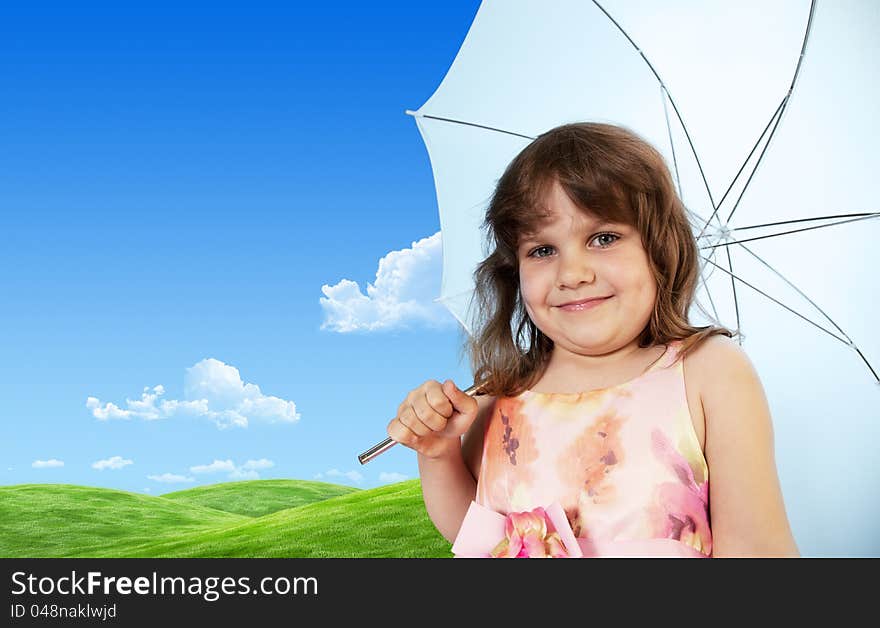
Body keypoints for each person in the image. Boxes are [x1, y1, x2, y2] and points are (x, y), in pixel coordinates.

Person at [387, 122, 800, 558]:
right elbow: (476, 536)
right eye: (542, 250)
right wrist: (437, 453)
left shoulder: (709, 373)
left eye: (603, 238)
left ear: (659, 249)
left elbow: (757, 549)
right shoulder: (500, 393)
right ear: (515, 270)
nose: (572, 274)